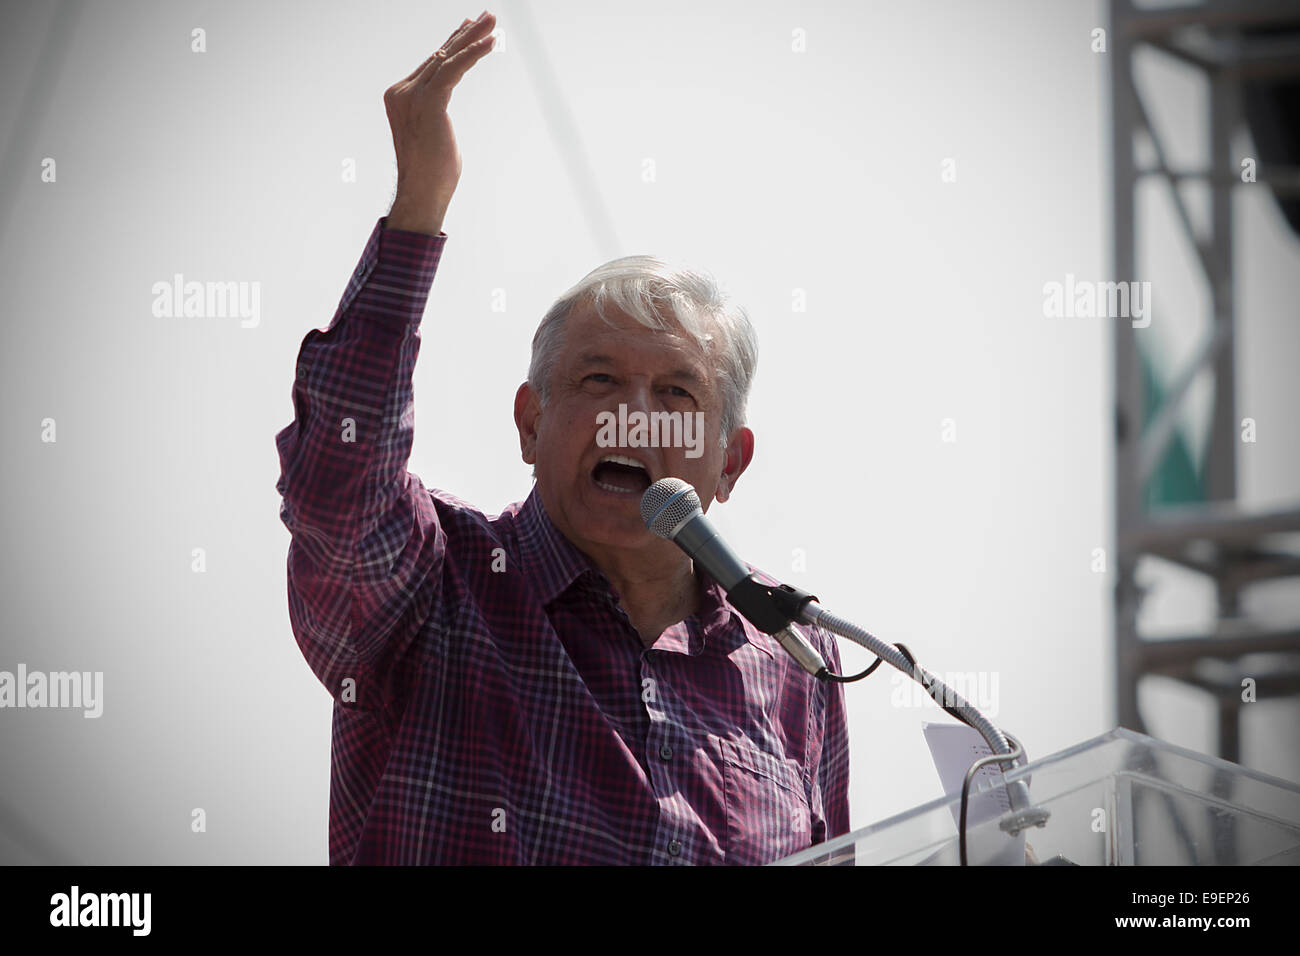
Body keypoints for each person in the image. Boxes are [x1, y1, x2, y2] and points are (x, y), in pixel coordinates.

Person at [274, 10, 849, 865]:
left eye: (677, 391)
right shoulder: (436, 584)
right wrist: (419, 204)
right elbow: (336, 484)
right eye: (599, 380)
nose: (634, 414)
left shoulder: (796, 652)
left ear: (730, 462)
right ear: (530, 423)